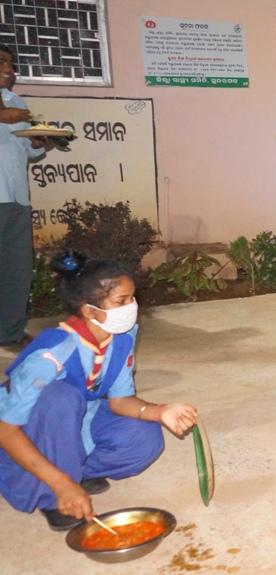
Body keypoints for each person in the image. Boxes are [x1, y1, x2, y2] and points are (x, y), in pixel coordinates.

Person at [0, 252, 198, 530]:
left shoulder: (120, 339)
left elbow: (120, 400)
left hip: (74, 422)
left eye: (132, 298)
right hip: (26, 432)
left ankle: (73, 469)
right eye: (122, 301)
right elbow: (6, 429)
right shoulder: (51, 354)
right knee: (61, 398)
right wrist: (62, 484)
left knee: (143, 438)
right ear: (90, 311)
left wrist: (160, 411)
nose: (132, 306)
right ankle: (53, 493)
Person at [0, 44, 53, 350]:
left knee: (16, 269)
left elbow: (26, 150)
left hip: (17, 198)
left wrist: (42, 143)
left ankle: (10, 332)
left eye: (11, 63)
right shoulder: (12, 109)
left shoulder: (16, 101)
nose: (10, 69)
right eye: (2, 62)